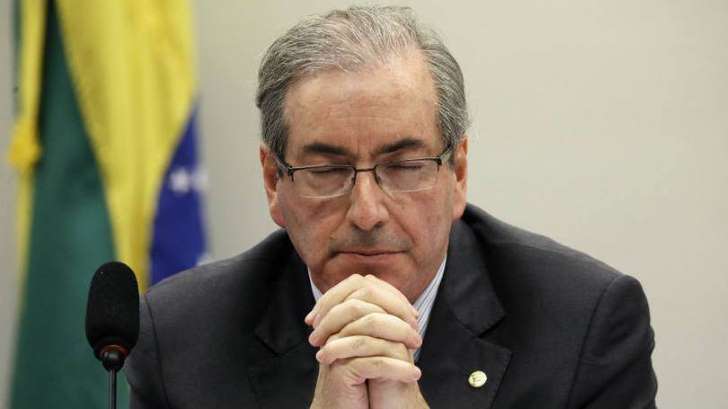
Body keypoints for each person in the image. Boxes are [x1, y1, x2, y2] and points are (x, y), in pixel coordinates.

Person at [126, 6, 657, 408]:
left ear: (458, 173)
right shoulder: (180, 336)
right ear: (273, 182)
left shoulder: (583, 323)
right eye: (327, 171)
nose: (367, 212)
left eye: (404, 166)